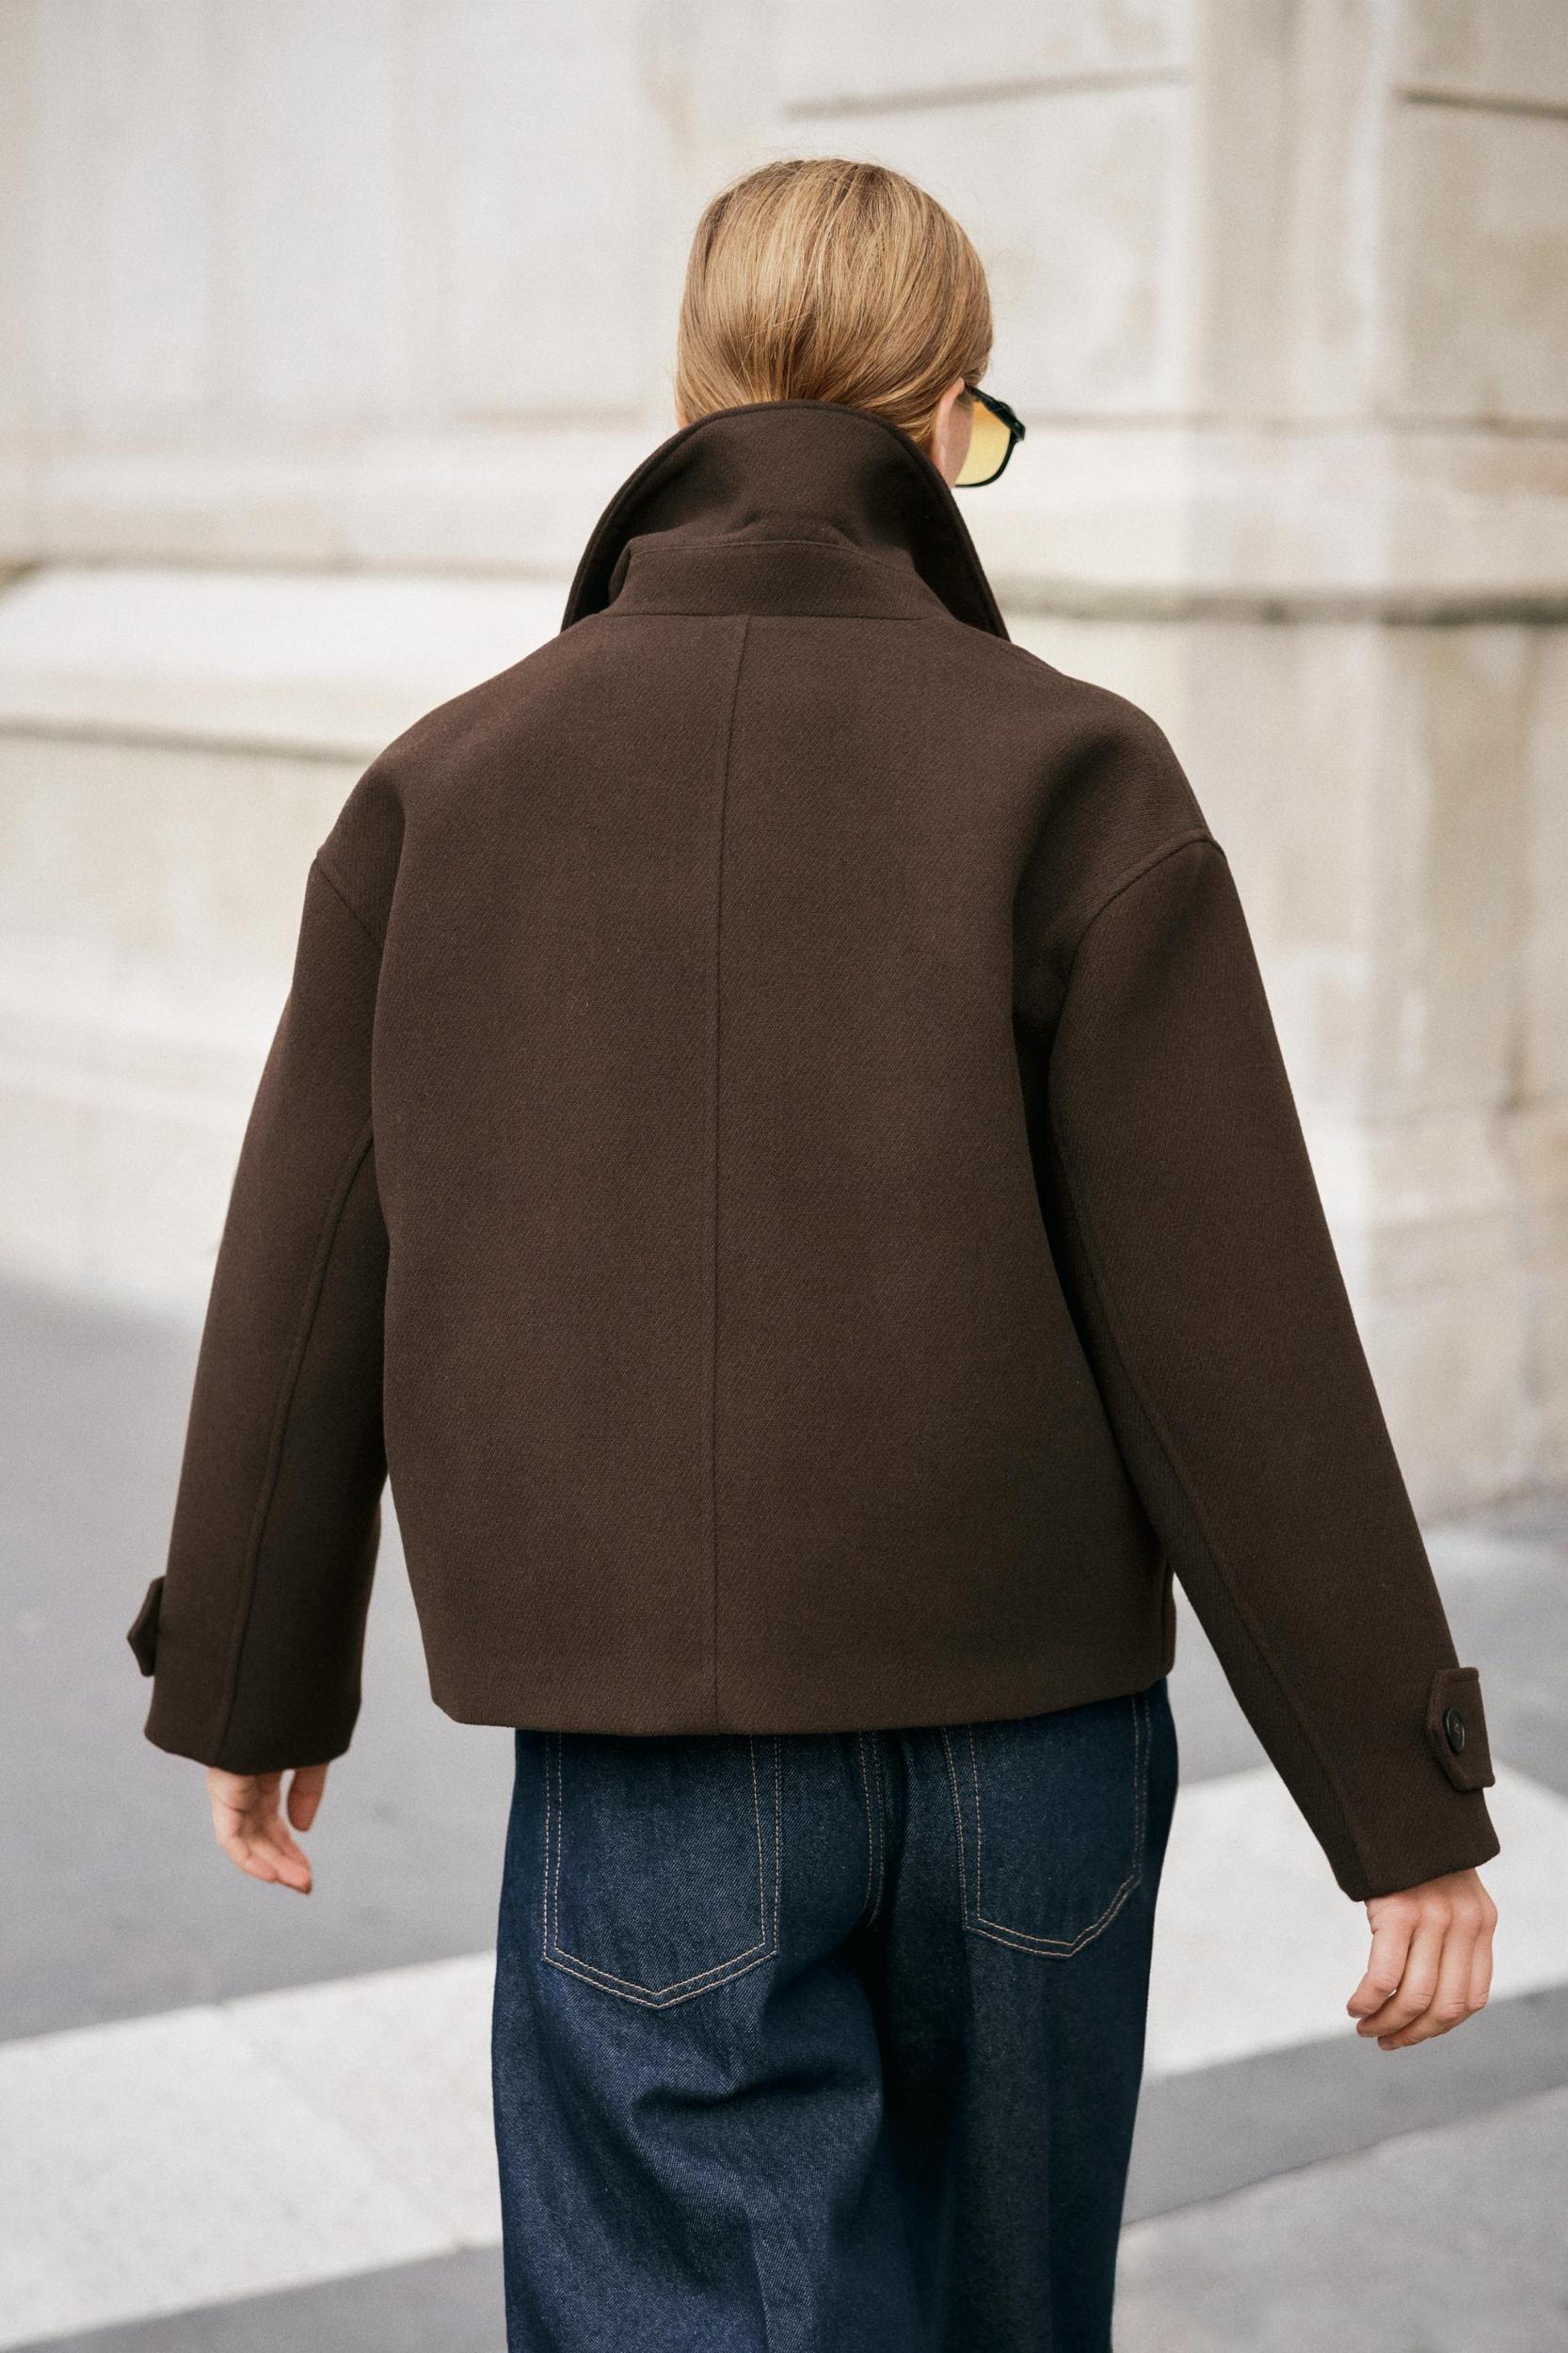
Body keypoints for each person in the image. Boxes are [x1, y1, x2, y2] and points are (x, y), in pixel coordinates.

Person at [126, 158, 1501, 2352]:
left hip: (656, 1766)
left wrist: (251, 1666)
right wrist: (1393, 1788)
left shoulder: (444, 785)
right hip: (1036, 1761)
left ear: (690, 393)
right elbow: (1226, 1325)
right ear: (946, 416)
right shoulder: (1075, 767)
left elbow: (309, 1268)